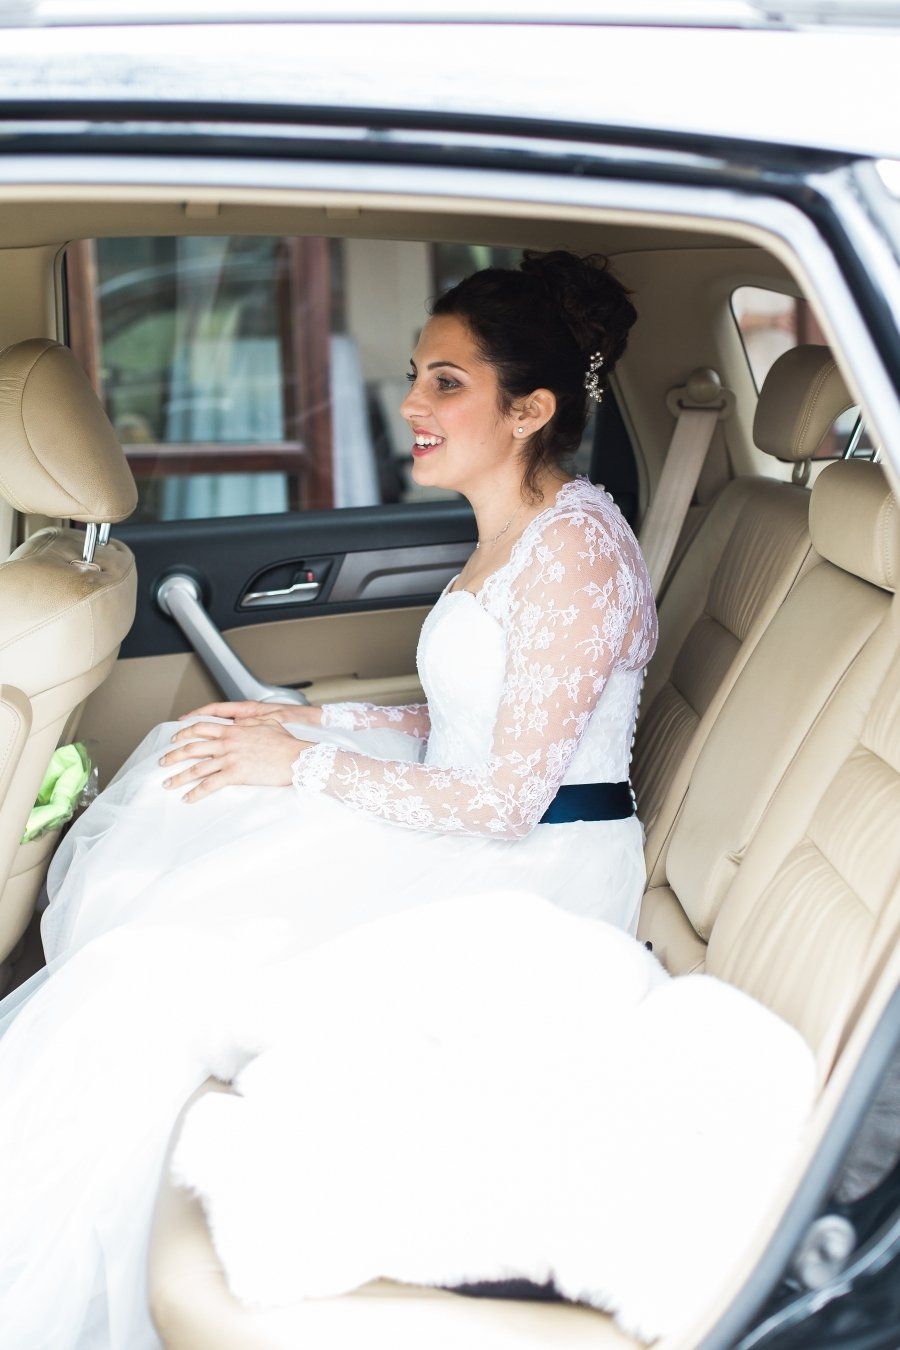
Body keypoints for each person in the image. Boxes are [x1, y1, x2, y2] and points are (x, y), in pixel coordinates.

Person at [0, 250, 656, 1348]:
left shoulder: (577, 554)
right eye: (416, 376)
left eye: (447, 382)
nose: (412, 404)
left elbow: (505, 797)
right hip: (485, 831)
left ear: (531, 409)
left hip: (535, 872)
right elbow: (466, 721)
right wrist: (307, 721)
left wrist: (300, 768)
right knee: (184, 812)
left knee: (158, 968)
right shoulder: (519, 528)